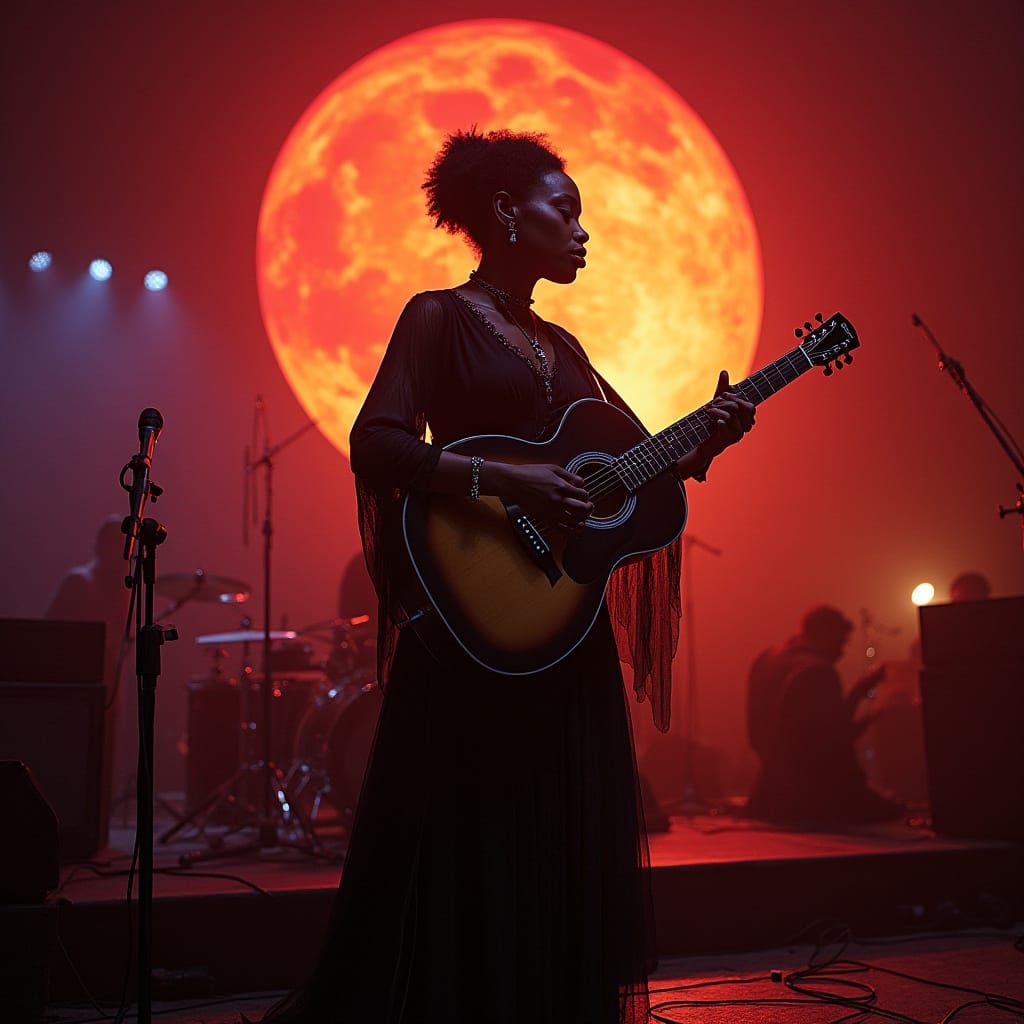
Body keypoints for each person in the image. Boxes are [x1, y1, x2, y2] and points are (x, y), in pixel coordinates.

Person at [262, 127, 755, 1024]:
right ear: (504, 213)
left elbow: (632, 463)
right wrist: (506, 477)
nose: (582, 231)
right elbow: (375, 440)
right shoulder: (437, 316)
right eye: (563, 210)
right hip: (469, 623)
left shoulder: (562, 344)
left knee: (553, 835)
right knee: (464, 833)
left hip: (558, 625)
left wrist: (704, 440)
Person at [746, 605, 903, 827]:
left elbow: (770, 731)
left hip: (767, 794)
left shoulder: (767, 659)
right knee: (894, 808)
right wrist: (870, 715)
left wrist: (857, 694)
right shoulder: (818, 672)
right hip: (809, 798)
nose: (842, 652)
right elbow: (832, 744)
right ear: (825, 635)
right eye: (840, 642)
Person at [46, 515, 133, 812]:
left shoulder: (121, 590)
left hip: (107, 685)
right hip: (76, 690)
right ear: (100, 548)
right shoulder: (80, 583)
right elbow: (49, 634)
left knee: (102, 758)